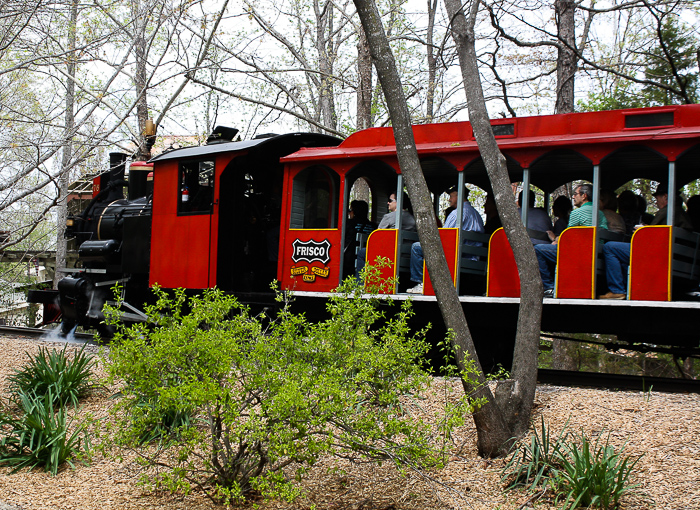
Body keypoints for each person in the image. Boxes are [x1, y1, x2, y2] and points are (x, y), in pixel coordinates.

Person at [600, 184, 692, 299]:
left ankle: (617, 290)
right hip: (672, 256)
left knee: (610, 247)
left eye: (657, 198)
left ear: (665, 197)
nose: (656, 201)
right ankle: (625, 289)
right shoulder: (680, 212)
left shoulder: (667, 211)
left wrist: (642, 229)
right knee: (621, 258)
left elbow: (650, 235)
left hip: (659, 256)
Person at [406, 186, 484, 294]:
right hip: (472, 257)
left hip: (455, 255)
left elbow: (444, 236)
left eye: (451, 196)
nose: (449, 199)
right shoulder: (475, 213)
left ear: (459, 195)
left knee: (416, 247)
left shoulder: (458, 213)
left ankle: (421, 282)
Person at [534, 183, 608, 298]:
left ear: (584, 196)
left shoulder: (576, 213)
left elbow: (568, 237)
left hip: (578, 255)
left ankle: (549, 287)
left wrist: (556, 240)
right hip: (594, 253)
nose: (573, 197)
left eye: (575, 194)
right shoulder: (600, 213)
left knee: (538, 249)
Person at [356, 192, 416, 280]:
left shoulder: (389, 217)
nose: (388, 203)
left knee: (362, 253)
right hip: (408, 256)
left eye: (390, 200)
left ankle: (360, 284)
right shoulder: (413, 218)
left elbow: (376, 237)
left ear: (397, 202)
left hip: (390, 256)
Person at [344, 200, 376, 277]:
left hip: (350, 261)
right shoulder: (373, 226)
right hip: (370, 258)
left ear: (354, 212)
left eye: (350, 210)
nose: (349, 213)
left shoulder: (349, 224)